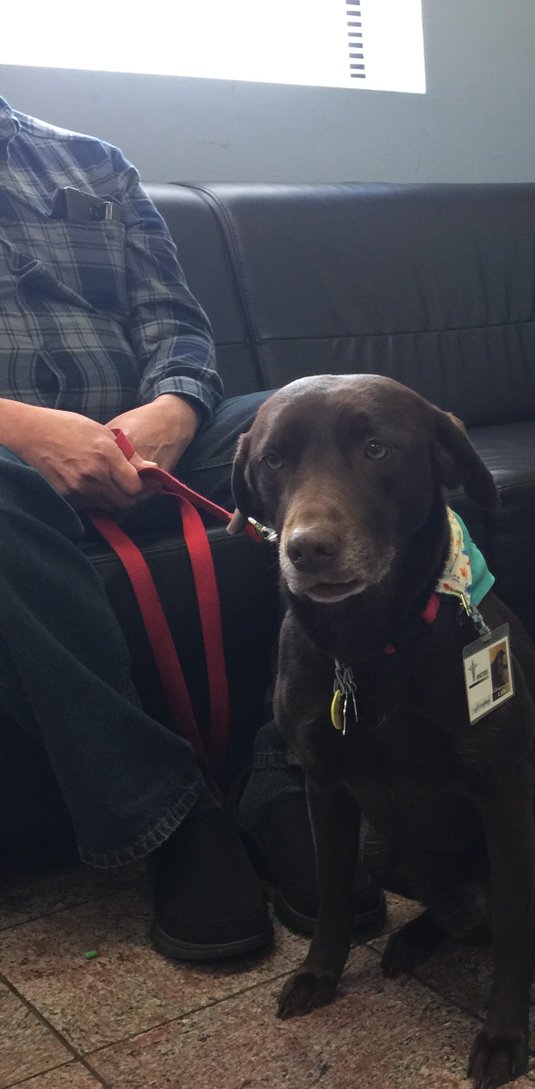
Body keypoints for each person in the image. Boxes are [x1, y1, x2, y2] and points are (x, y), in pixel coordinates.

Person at [0, 96, 382, 959]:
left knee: (378, 427)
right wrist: (23, 429)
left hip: (150, 431)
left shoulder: (92, 159)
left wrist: (172, 410)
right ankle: (164, 821)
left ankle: (287, 768)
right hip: (5, 449)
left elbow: (175, 322)